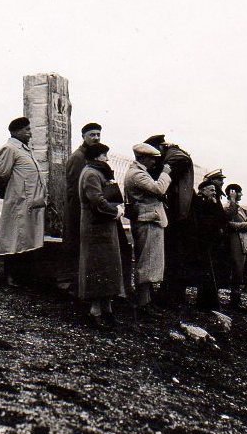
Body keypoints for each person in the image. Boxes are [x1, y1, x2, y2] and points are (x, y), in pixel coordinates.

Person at [77, 143, 127, 327]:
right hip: (96, 228)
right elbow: (96, 201)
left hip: (104, 227)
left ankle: (107, 309)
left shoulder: (99, 172)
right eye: (105, 155)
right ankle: (95, 311)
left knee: (108, 267)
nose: (107, 159)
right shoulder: (91, 173)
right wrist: (115, 211)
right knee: (97, 267)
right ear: (97, 156)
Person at [0, 117, 47, 286]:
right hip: (18, 202)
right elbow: (1, 175)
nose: (30, 133)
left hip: (30, 202)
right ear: (16, 131)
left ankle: (24, 276)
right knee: (14, 237)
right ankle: (11, 276)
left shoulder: (25, 150)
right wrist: (8, 195)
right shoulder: (9, 149)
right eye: (27, 130)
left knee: (27, 238)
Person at [144, 134, 194, 307]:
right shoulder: (174, 155)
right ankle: (173, 294)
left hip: (178, 213)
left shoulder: (176, 155)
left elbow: (172, 166)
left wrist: (159, 168)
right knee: (174, 254)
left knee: (174, 254)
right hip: (177, 212)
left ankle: (171, 295)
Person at [123, 143, 172, 313]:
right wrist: (165, 174)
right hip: (148, 220)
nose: (154, 162)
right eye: (152, 158)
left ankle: (147, 300)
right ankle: (144, 303)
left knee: (149, 261)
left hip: (148, 219)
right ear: (143, 157)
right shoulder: (138, 175)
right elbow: (159, 188)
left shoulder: (137, 173)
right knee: (147, 262)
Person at [64, 122, 103, 271]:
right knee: (77, 247)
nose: (96, 138)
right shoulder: (78, 157)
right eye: (92, 135)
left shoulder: (93, 156)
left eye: (98, 134)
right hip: (78, 210)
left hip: (89, 211)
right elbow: (74, 189)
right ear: (83, 137)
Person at [191, 179, 229, 311]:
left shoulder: (212, 202)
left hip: (213, 243)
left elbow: (223, 220)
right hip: (203, 243)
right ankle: (205, 304)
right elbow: (205, 223)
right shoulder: (198, 203)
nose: (214, 193)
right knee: (206, 273)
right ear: (202, 191)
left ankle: (209, 303)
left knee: (212, 273)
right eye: (211, 190)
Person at [223, 184, 247, 310]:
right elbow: (226, 222)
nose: (241, 195)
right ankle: (234, 300)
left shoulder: (240, 208)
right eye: (239, 192)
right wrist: (242, 226)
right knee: (236, 268)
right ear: (233, 192)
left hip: (242, 242)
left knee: (242, 269)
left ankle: (237, 298)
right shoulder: (227, 206)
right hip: (233, 241)